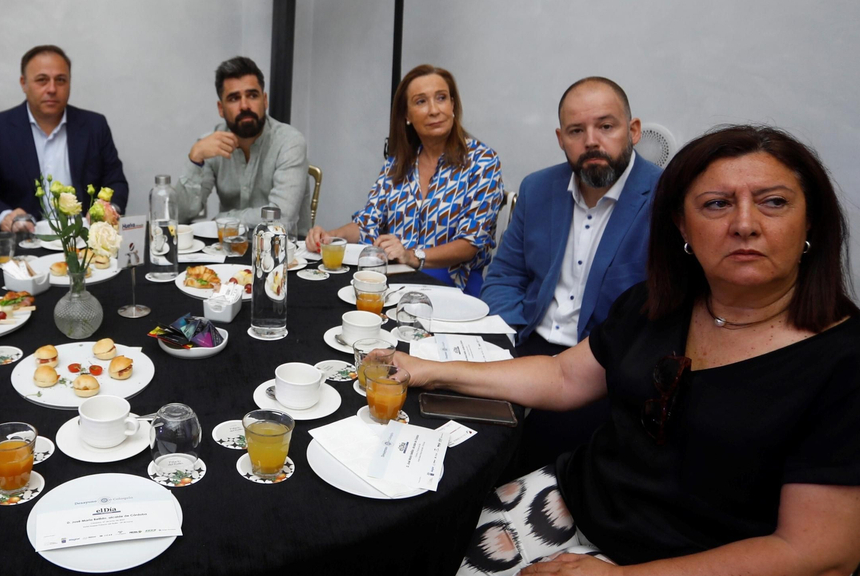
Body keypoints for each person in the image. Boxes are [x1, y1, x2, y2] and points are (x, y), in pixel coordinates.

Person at [376, 125, 860, 576]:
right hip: (589, 503)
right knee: (421, 554)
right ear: (682, 228)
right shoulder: (659, 305)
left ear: (810, 222)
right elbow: (563, 377)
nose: (745, 223)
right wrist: (428, 369)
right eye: (716, 204)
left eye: (773, 202)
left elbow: (812, 556)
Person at [480, 77, 661, 475]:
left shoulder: (666, 198)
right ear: (561, 139)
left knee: (532, 456)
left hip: (603, 364)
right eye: (577, 131)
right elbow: (505, 274)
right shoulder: (538, 188)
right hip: (528, 341)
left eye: (606, 126)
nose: (591, 141)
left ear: (633, 131)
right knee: (462, 426)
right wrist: (508, 336)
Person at [306, 64, 502, 293]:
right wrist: (331, 237)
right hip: (396, 279)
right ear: (407, 115)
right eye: (421, 101)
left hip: (453, 285)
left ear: (452, 105)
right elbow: (368, 223)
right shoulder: (398, 163)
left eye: (441, 98)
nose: (434, 110)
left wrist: (413, 256)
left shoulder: (482, 161)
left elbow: (470, 243)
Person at [0, 44, 130, 231]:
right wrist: (6, 216)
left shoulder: (94, 125)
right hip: (24, 237)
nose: (52, 89)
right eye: (42, 80)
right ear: (24, 83)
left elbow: (116, 182)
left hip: (83, 236)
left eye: (60, 80)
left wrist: (108, 209)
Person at [175, 56, 309, 230]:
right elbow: (179, 216)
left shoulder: (289, 142)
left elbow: (280, 218)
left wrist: (222, 219)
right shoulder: (212, 145)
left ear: (265, 101)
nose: (245, 106)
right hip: (227, 245)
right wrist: (195, 159)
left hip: (283, 245)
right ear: (221, 109)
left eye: (252, 95)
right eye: (234, 98)